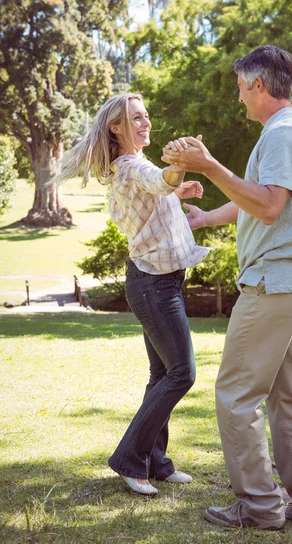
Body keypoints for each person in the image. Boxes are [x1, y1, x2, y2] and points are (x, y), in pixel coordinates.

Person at [161, 45, 292, 530]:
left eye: (241, 89)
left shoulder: (281, 135)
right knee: (289, 398)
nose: (239, 99)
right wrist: (206, 218)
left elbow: (269, 206)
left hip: (273, 284)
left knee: (237, 394)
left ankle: (260, 506)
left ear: (259, 85)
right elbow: (255, 200)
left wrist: (209, 167)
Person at [56, 92, 209, 496]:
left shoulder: (132, 169)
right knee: (182, 373)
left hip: (161, 281)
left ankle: (156, 462)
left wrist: (178, 191)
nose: (146, 123)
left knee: (162, 374)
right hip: (153, 285)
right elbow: (156, 180)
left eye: (147, 117)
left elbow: (156, 193)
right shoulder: (129, 167)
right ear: (116, 127)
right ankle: (128, 459)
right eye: (136, 118)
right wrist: (176, 168)